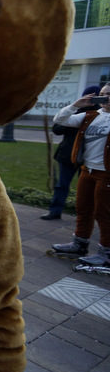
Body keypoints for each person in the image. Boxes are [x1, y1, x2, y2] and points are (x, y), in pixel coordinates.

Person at [51, 83, 110, 266]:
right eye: (102, 93)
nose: (105, 97)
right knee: (83, 208)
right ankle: (79, 243)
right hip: (87, 169)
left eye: (109, 94)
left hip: (106, 173)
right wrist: (76, 105)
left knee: (104, 212)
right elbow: (60, 120)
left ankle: (106, 252)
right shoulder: (91, 116)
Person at [41, 85, 100, 220]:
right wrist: (75, 118)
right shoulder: (75, 111)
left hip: (89, 157)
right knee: (62, 185)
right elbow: (57, 129)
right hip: (68, 154)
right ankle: (55, 211)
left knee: (86, 188)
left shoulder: (100, 114)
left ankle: (84, 215)